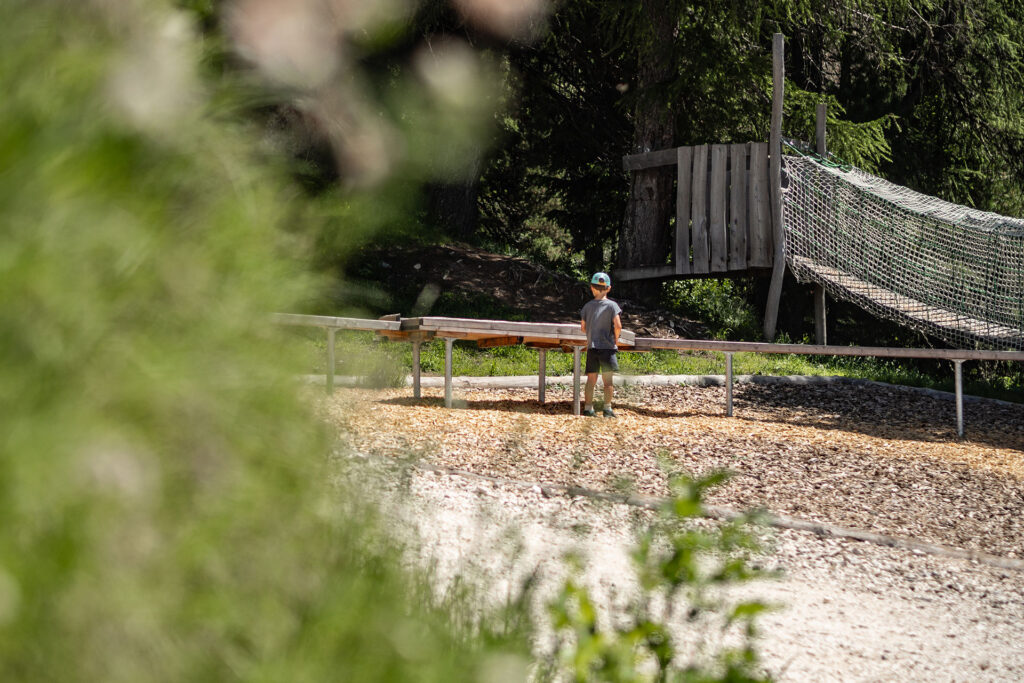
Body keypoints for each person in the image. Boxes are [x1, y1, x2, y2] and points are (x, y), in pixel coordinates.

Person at [580, 272, 622, 417]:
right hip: (608, 349)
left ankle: (588, 408)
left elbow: (583, 327)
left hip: (592, 347)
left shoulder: (587, 307)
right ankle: (607, 408)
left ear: (592, 288)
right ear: (608, 288)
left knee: (591, 380)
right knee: (608, 381)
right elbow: (618, 325)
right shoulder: (612, 306)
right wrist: (616, 339)